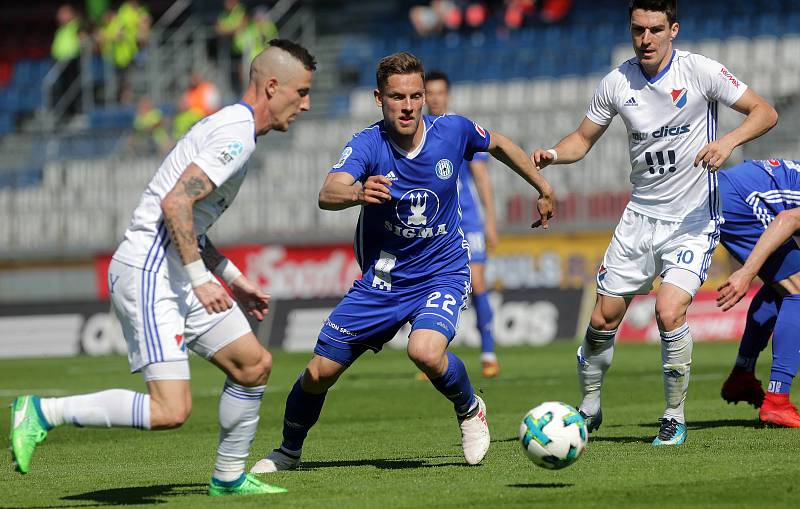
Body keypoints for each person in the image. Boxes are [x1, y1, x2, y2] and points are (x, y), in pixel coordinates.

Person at [9, 39, 316, 497]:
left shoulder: (236, 132)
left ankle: (229, 477)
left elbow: (191, 219)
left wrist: (232, 280)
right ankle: (41, 413)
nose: (307, 104)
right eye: (302, 92)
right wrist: (200, 278)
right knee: (169, 411)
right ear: (273, 87)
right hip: (151, 271)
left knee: (253, 365)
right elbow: (176, 205)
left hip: (174, 269)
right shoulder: (234, 134)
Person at [250, 52, 554, 474]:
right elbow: (328, 191)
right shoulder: (367, 144)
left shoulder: (453, 131)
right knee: (319, 373)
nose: (408, 106)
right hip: (384, 280)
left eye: (415, 96)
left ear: (425, 96)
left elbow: (498, 143)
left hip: (442, 270)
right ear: (380, 98)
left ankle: (470, 409)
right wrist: (358, 192)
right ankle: (287, 451)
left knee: (425, 351)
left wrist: (542, 186)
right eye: (397, 97)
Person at [531, 0, 778, 445]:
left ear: (673, 30)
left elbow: (764, 111)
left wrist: (728, 141)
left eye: (655, 29)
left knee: (669, 310)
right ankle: (589, 407)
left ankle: (673, 415)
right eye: (637, 30)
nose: (645, 39)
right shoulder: (616, 81)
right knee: (604, 320)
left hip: (693, 217)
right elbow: (582, 139)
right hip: (639, 218)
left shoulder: (700, 71)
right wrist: (553, 153)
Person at [424, 70, 500, 377]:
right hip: (435, 225)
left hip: (468, 222)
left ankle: (489, 351)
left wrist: (490, 222)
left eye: (440, 92)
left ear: (448, 95)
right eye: (429, 93)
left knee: (478, 284)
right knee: (433, 288)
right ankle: (433, 352)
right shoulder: (418, 132)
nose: (435, 98)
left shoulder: (460, 130)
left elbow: (482, 179)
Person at [715, 158, 800, 427]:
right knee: (798, 290)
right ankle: (777, 400)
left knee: (782, 288)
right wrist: (747, 271)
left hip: (726, 192)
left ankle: (743, 372)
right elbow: (788, 219)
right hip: (741, 200)